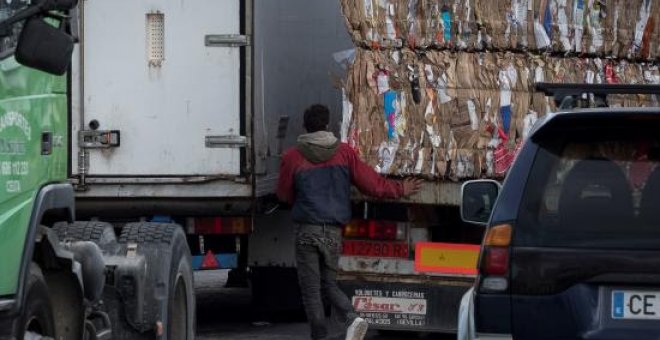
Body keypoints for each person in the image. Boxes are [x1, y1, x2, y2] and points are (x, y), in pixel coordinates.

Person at [277, 104, 422, 340]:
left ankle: (320, 337)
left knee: (311, 291)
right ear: (327, 125)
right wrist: (400, 188)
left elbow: (283, 195)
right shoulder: (344, 153)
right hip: (333, 232)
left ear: (305, 126)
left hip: (307, 231)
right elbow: (371, 184)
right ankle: (353, 319)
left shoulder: (293, 157)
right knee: (329, 285)